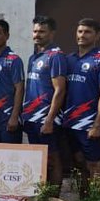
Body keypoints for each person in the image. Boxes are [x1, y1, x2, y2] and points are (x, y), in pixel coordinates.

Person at [62, 18, 100, 184]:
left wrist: (97, 124)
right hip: (70, 122)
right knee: (78, 162)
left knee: (94, 164)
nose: (82, 35)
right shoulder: (69, 59)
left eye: (87, 32)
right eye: (80, 31)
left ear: (97, 35)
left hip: (91, 123)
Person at [22, 16, 68, 186]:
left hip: (47, 119)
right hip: (32, 118)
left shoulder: (55, 56)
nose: (37, 35)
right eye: (35, 31)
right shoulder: (33, 57)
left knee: (53, 159)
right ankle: (41, 198)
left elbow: (60, 89)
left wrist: (49, 120)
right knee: (38, 161)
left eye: (42, 31)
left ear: (52, 33)